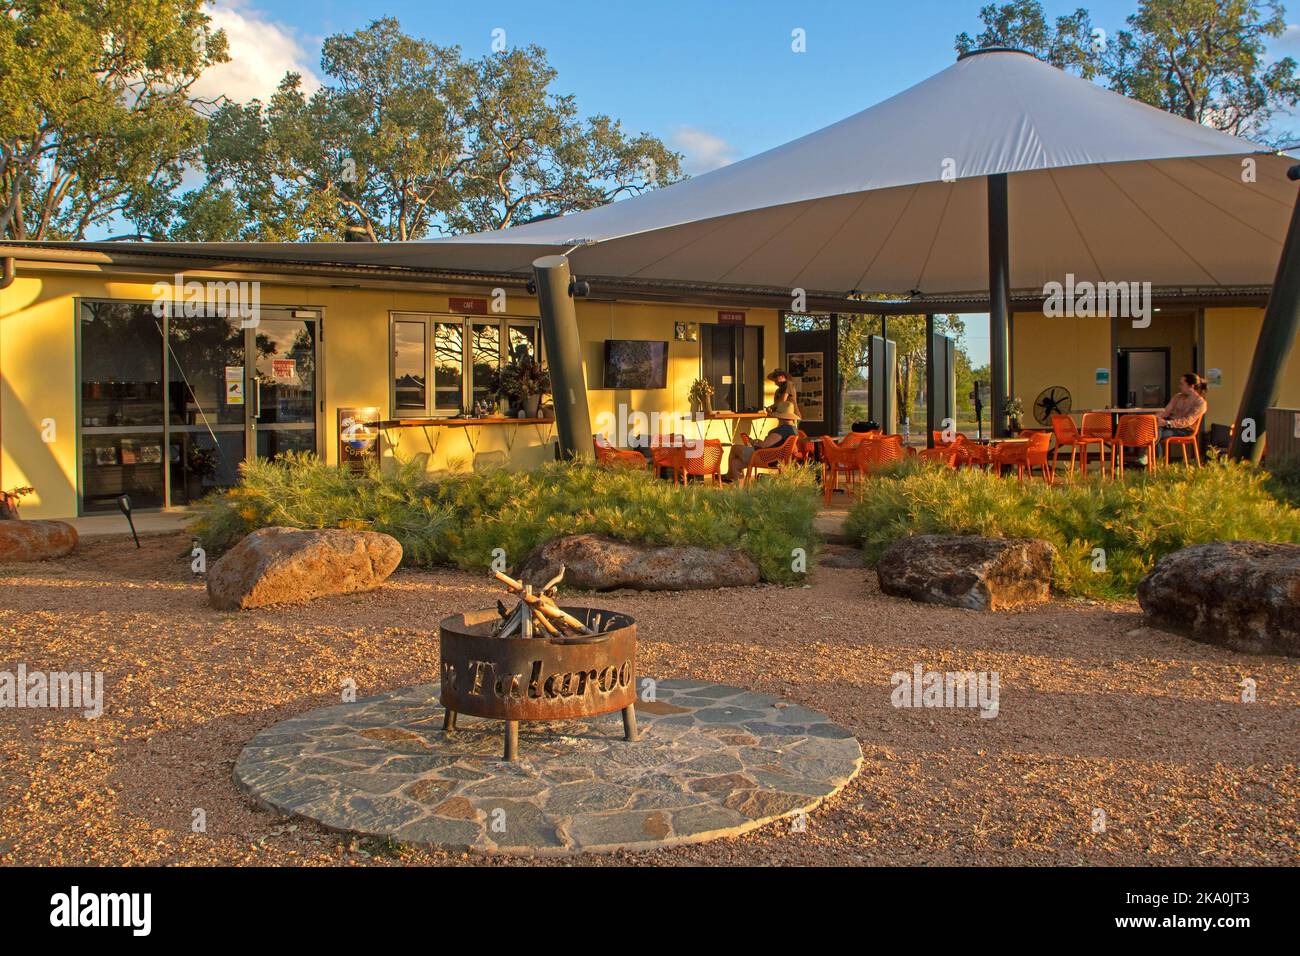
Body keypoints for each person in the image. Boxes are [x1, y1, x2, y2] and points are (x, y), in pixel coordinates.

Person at [724, 400, 799, 482]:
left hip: (764, 457)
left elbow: (764, 445)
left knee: (734, 448)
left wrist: (753, 442)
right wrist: (757, 442)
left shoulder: (782, 430)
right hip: (776, 458)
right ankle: (740, 490)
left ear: (781, 416)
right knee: (735, 463)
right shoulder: (793, 430)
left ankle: (728, 475)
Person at [1155, 372, 1208, 448]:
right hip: (1169, 425)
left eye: (1182, 384)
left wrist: (1167, 423)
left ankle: (1149, 457)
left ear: (1191, 386)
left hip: (1185, 429)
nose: (1179, 386)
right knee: (1151, 431)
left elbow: (1187, 421)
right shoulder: (1177, 397)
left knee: (1157, 434)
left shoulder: (1200, 403)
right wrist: (1154, 419)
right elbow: (1166, 411)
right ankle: (1151, 457)